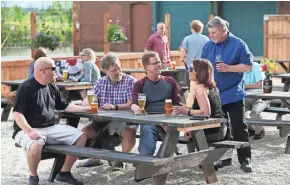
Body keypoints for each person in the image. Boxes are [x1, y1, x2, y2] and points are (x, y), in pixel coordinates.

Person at [13, 57, 90, 185]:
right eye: (53, 69)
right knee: (35, 144)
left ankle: (64, 173)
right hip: (26, 129)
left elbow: (64, 106)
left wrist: (84, 109)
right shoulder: (25, 87)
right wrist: (30, 131)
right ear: (43, 71)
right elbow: (17, 114)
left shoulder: (52, 87)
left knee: (81, 136)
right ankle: (33, 177)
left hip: (51, 128)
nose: (56, 71)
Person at [201, 16, 253, 173]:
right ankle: (224, 159)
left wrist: (229, 68)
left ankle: (245, 160)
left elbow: (248, 66)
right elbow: (203, 68)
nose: (211, 36)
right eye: (209, 32)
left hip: (233, 94)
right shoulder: (208, 46)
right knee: (219, 130)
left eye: (214, 32)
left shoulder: (239, 44)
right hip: (215, 95)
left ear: (224, 31)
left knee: (239, 128)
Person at [78, 52, 137, 168]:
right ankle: (95, 159)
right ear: (105, 71)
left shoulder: (130, 81)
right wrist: (87, 105)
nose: (118, 72)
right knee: (84, 131)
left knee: (130, 131)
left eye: (119, 68)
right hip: (103, 120)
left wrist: (115, 106)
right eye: (113, 70)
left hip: (124, 120)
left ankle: (121, 160)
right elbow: (88, 99)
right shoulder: (101, 82)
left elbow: (131, 103)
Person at [131, 52, 181, 156]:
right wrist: (134, 107)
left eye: (159, 62)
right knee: (147, 141)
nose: (159, 65)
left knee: (172, 135)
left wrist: (170, 118)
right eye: (155, 63)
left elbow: (177, 104)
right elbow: (134, 103)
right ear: (146, 67)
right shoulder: (140, 84)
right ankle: (146, 162)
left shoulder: (170, 81)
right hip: (149, 120)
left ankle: (155, 167)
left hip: (168, 119)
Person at [173, 59, 227, 143]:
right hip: (220, 129)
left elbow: (206, 113)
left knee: (171, 137)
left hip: (212, 132)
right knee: (189, 134)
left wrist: (187, 111)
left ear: (199, 72)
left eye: (191, 69)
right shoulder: (212, 87)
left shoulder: (200, 88)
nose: (188, 71)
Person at [180, 20, 210, 87]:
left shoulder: (187, 38)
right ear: (201, 29)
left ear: (191, 28)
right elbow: (209, 51)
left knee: (190, 86)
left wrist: (182, 59)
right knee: (202, 85)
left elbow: (182, 51)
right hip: (202, 66)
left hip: (190, 65)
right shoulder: (206, 39)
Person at [244, 62, 269, 140]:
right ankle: (251, 129)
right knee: (236, 111)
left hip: (261, 97)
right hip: (246, 97)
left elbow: (259, 85)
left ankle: (260, 131)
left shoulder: (256, 67)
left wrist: (243, 86)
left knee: (254, 112)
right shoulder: (238, 68)